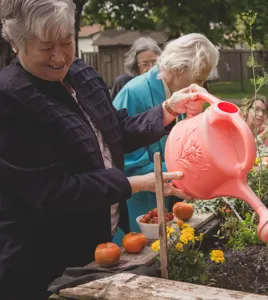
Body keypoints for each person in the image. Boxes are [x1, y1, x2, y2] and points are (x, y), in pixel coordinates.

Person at [0, 0, 206, 299]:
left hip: (95, 244)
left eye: (67, 42)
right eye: (45, 47)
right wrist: (134, 184)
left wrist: (166, 111)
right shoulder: (10, 99)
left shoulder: (81, 73)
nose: (59, 56)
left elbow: (113, 130)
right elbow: (52, 191)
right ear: (16, 45)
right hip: (40, 257)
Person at [113, 33, 219, 232]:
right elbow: (124, 160)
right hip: (138, 204)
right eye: (198, 79)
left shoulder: (177, 91)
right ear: (180, 70)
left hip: (170, 197)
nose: (200, 87)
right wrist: (182, 172)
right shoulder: (133, 92)